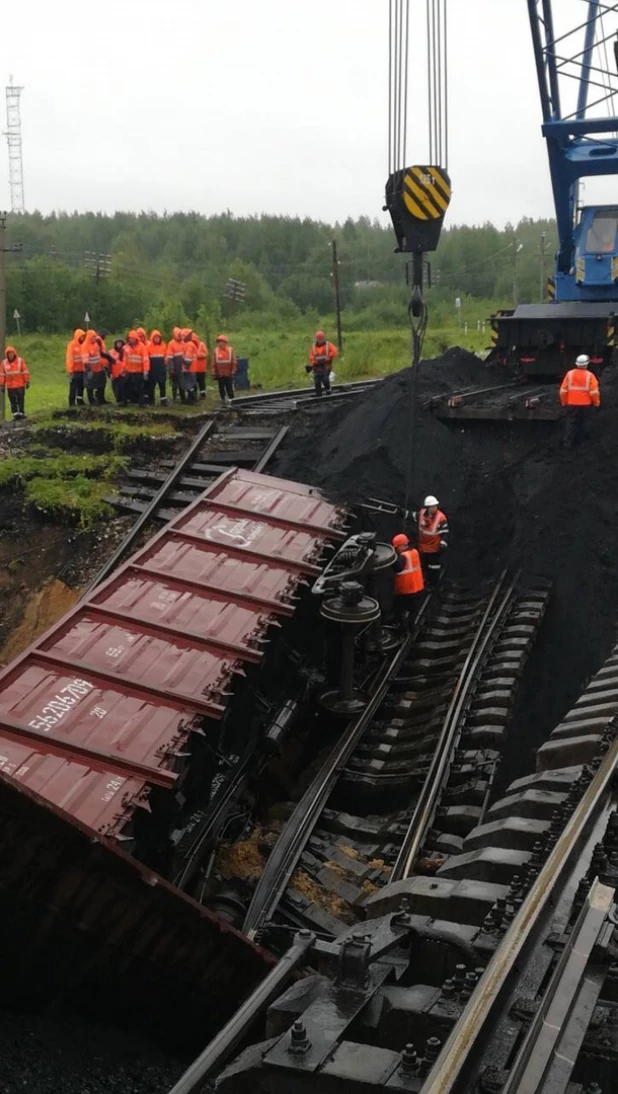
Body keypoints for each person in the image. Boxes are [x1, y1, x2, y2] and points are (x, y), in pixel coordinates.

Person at [559, 353, 600, 448]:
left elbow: (563, 391)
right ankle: (582, 444)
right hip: (586, 405)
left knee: (570, 423)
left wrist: (564, 402)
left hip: (571, 404)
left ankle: (567, 443)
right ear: (586, 364)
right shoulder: (590, 376)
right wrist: (596, 403)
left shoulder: (569, 374)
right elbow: (594, 392)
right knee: (584, 423)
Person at [414, 495, 449, 587]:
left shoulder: (441, 518)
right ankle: (424, 582)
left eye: (435, 506)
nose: (435, 508)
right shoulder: (421, 514)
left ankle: (434, 585)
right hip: (423, 548)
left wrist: (442, 544)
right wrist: (402, 512)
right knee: (423, 567)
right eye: (432, 506)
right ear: (427, 508)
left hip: (434, 548)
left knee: (433, 568)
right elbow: (413, 516)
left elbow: (445, 533)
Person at [392, 533, 424, 630]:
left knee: (398, 609)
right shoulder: (415, 552)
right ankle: (411, 625)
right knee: (414, 609)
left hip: (405, 590)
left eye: (397, 547)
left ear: (402, 545)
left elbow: (398, 568)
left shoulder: (403, 556)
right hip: (417, 587)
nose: (396, 549)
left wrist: (393, 559)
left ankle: (402, 627)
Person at [0, 346, 30, 420]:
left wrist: (27, 381)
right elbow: (2, 374)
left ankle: (21, 413)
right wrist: (2, 385)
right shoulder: (4, 363)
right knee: (12, 400)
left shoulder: (20, 361)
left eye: (11, 353)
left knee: (21, 399)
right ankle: (15, 414)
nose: (10, 355)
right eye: (9, 354)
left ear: (14, 353)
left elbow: (25, 371)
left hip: (20, 384)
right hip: (10, 386)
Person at [307, 330, 338, 397]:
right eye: (318, 338)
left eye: (321, 338)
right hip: (317, 367)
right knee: (317, 381)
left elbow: (335, 351)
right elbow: (311, 356)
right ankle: (318, 394)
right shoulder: (313, 347)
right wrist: (313, 362)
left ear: (324, 338)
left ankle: (328, 390)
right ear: (316, 338)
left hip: (326, 366)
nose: (320, 339)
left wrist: (329, 356)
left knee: (325, 379)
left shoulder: (328, 345)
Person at [123, 330, 150, 404]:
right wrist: (123, 369)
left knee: (140, 388)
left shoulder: (142, 347)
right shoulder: (126, 347)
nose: (131, 340)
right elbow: (124, 359)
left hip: (138, 371)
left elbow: (145, 360)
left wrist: (145, 371)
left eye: (133, 338)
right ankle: (124, 401)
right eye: (130, 338)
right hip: (128, 371)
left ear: (136, 339)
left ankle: (142, 403)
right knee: (125, 386)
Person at [82, 330, 107, 404]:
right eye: (93, 337)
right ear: (89, 337)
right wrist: (89, 369)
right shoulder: (85, 346)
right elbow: (85, 359)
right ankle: (91, 400)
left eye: (95, 337)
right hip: (90, 369)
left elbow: (99, 356)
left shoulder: (96, 344)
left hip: (98, 368)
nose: (95, 338)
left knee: (101, 384)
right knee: (90, 385)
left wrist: (103, 365)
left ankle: (101, 399)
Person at [212, 334, 237, 405]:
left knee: (229, 387)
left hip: (228, 373)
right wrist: (213, 371)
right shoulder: (215, 351)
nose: (220, 343)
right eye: (218, 342)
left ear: (225, 342)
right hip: (220, 373)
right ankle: (222, 398)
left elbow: (234, 361)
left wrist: (233, 370)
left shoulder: (230, 350)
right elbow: (213, 362)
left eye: (221, 341)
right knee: (221, 387)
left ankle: (231, 399)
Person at [147, 330, 168, 405]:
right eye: (155, 337)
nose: (157, 339)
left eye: (158, 337)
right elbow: (146, 358)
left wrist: (166, 366)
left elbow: (166, 356)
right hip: (152, 370)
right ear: (152, 338)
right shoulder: (148, 347)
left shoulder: (164, 346)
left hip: (161, 369)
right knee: (151, 386)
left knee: (162, 385)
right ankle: (151, 400)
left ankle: (163, 400)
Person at [66, 328, 86, 407]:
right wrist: (70, 370)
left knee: (81, 386)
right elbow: (69, 358)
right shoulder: (72, 345)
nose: (83, 338)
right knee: (73, 387)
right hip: (74, 371)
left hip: (82, 370)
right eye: (82, 336)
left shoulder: (83, 345)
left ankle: (80, 400)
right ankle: (72, 402)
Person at [180, 329, 199, 404]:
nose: (181, 338)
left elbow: (188, 358)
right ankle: (191, 399)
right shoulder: (190, 344)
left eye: (182, 336)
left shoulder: (189, 345)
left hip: (189, 368)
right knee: (191, 384)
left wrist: (185, 367)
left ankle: (193, 399)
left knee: (188, 385)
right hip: (192, 368)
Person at [166, 326, 185, 402]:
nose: (180, 336)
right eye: (178, 334)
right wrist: (171, 368)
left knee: (182, 383)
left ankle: (183, 398)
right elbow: (170, 358)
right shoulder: (171, 344)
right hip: (175, 366)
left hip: (182, 367)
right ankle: (174, 397)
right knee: (175, 383)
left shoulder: (183, 343)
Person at [109, 339, 127, 404]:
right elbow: (109, 363)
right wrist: (110, 373)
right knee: (115, 388)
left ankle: (124, 400)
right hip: (114, 373)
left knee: (123, 387)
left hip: (123, 373)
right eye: (118, 343)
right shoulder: (111, 352)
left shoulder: (125, 351)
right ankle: (118, 400)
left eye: (120, 343)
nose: (119, 344)